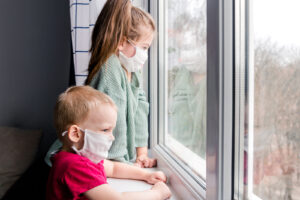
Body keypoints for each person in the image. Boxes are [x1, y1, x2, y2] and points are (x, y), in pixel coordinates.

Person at [45, 0, 156, 168]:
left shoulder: (133, 71)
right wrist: (122, 164)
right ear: (122, 42)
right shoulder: (110, 67)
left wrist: (141, 153)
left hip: (102, 160)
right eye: (144, 47)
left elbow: (141, 107)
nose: (145, 55)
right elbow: (112, 122)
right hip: (74, 158)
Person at [46, 86, 171, 200]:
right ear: (75, 134)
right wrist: (157, 194)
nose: (112, 137)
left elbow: (113, 168)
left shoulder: (82, 156)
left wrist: (146, 175)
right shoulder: (74, 166)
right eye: (105, 130)